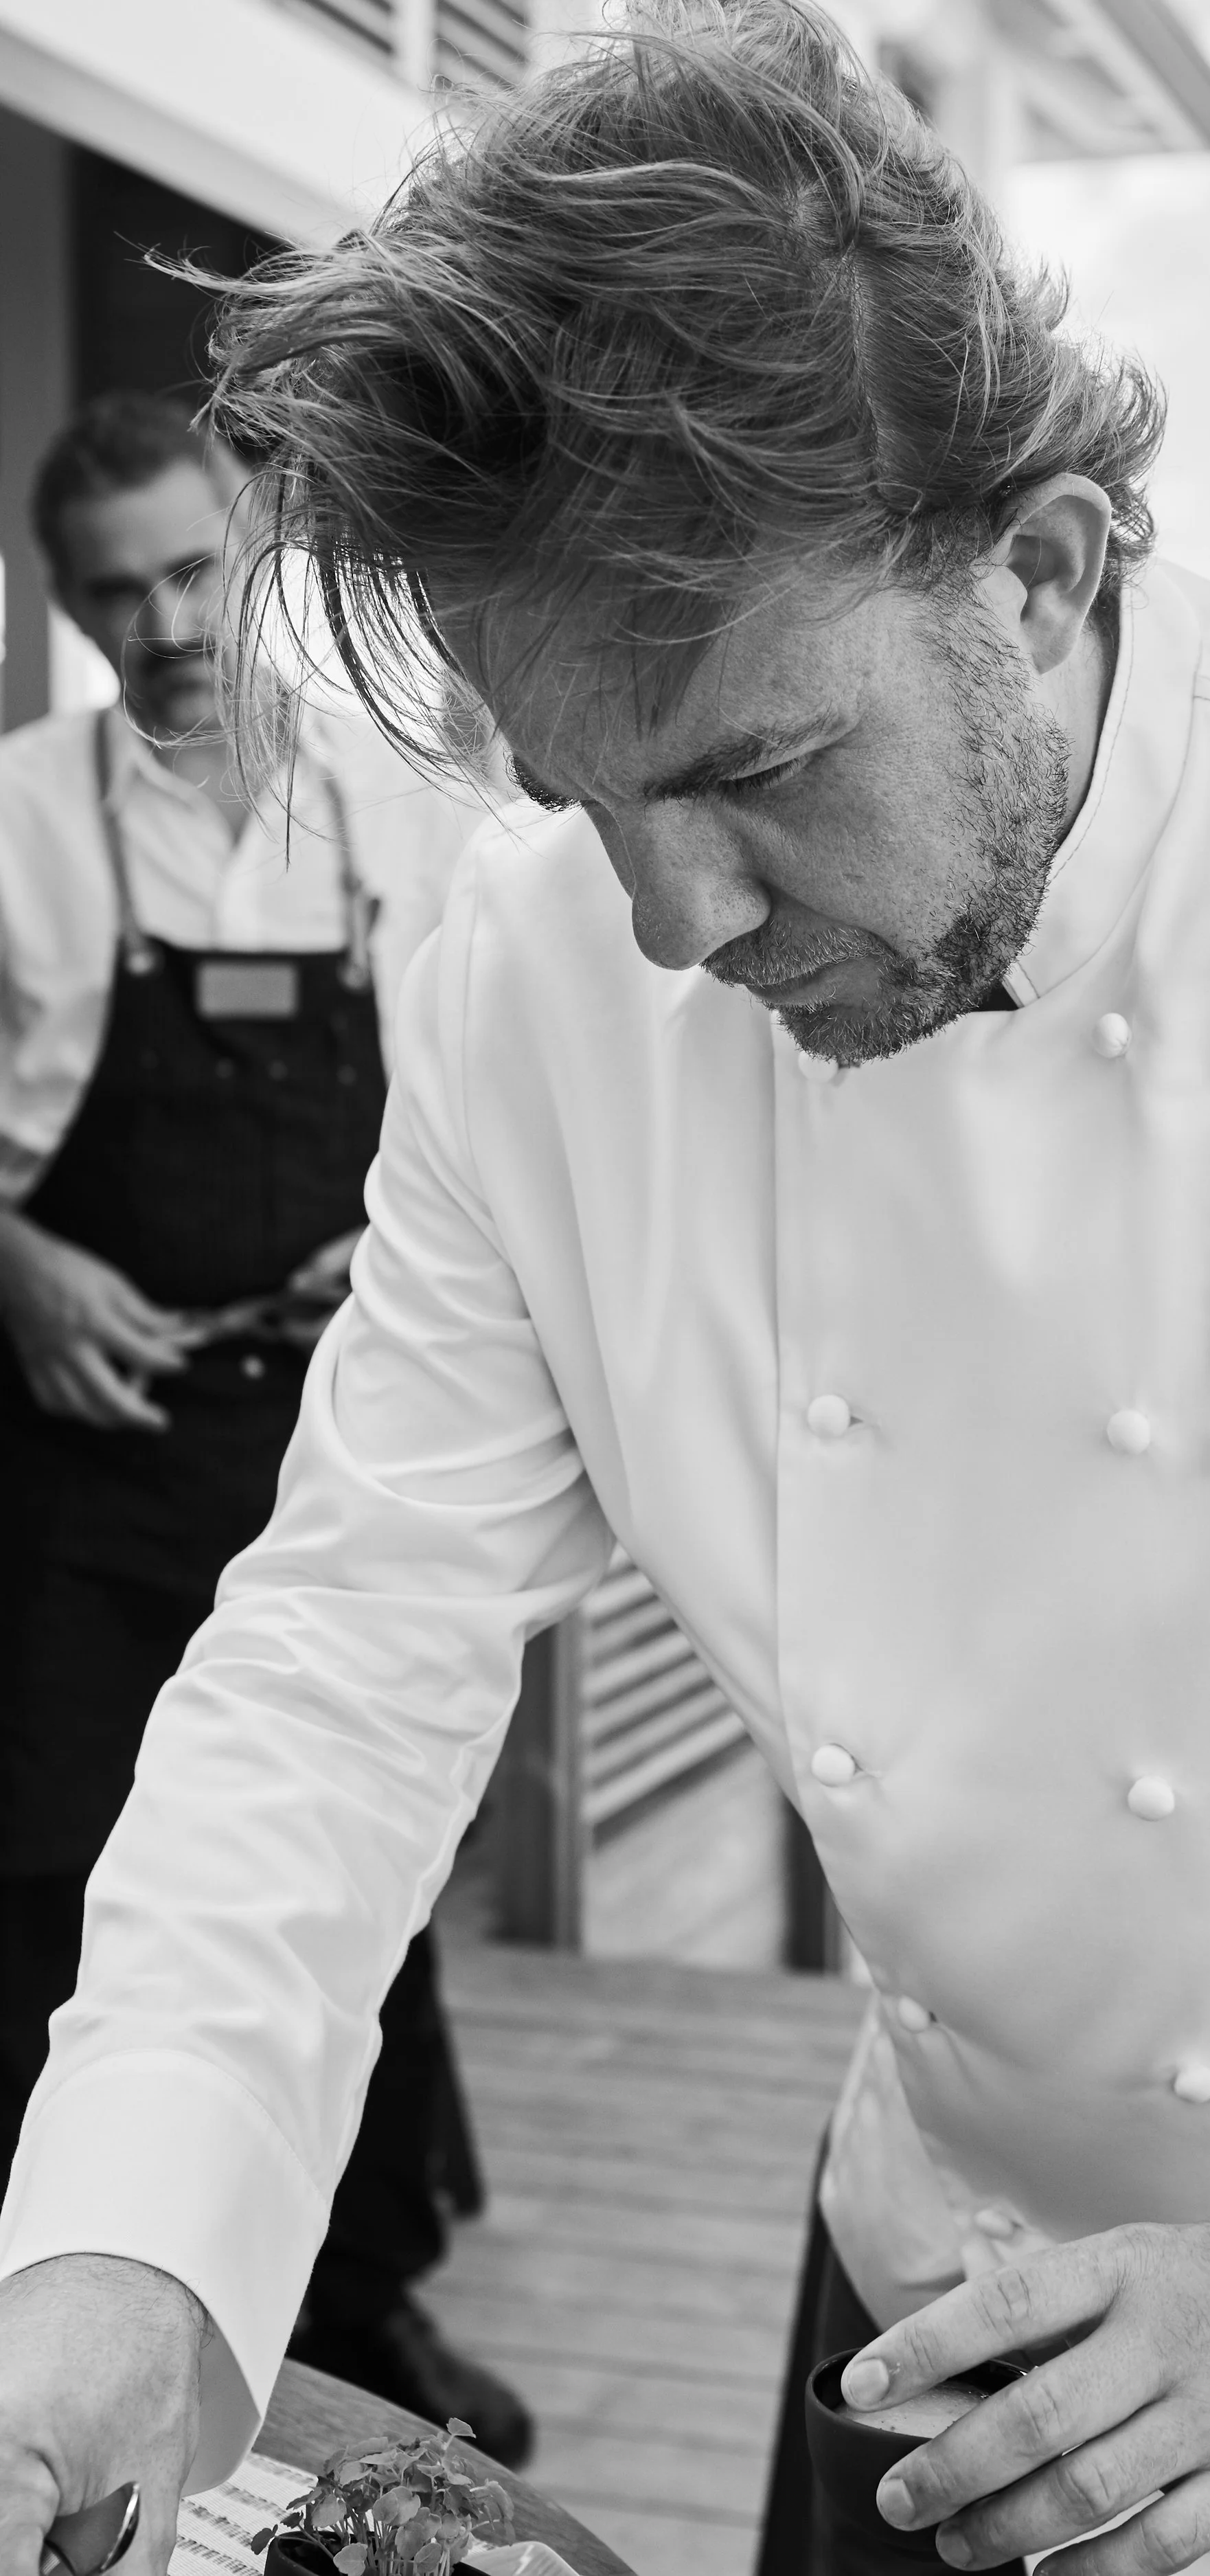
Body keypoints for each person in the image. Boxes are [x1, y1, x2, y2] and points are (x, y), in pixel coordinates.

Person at [4, 9, 1210, 2573]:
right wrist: (131, 2232)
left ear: (1031, 571)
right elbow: (352, 1650)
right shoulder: (528, 974)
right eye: (584, 799)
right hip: (926, 2313)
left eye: (755, 773)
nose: (672, 925)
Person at [0, 394, 529, 2467]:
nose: (159, 620)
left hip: (327, 1446)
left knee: (346, 1879)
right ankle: (64, 2311)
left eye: (189, 570)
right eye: (111, 587)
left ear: (257, 561)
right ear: (68, 602)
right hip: (70, 1450)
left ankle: (365, 2309)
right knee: (57, 1882)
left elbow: (495, 1111)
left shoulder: (416, 811)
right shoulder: (18, 818)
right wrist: (18, 1268)